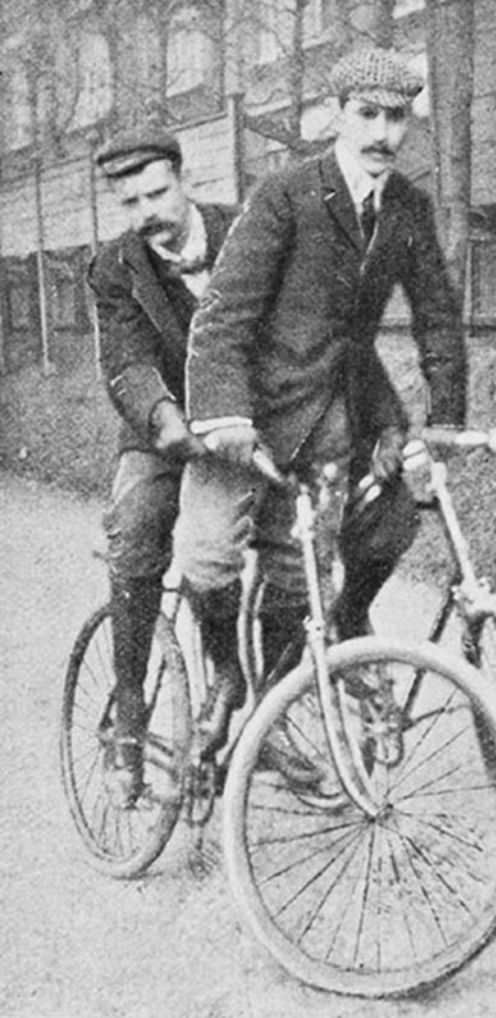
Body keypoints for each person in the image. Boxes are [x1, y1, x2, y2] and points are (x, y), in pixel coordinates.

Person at [172, 45, 468, 754]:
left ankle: (338, 631)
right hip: (258, 412)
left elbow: (436, 316)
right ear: (336, 116)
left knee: (389, 523)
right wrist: (225, 417)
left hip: (349, 412)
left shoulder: (406, 208)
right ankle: (224, 678)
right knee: (209, 554)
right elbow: (223, 316)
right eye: (367, 115)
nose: (383, 135)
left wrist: (446, 419)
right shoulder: (286, 195)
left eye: (397, 119)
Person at [88, 126, 235, 800]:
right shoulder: (115, 266)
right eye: (130, 202)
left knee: (274, 559)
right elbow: (126, 360)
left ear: (185, 178)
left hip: (238, 429)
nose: (146, 212)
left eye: (156, 192)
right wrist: (166, 421)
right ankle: (128, 714)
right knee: (140, 529)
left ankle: (243, 704)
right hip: (160, 435)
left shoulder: (246, 234)